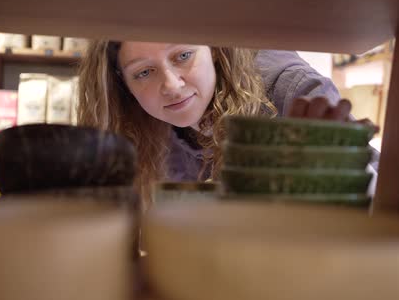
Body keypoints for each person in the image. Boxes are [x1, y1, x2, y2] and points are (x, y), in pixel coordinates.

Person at [77, 41, 352, 197]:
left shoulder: (290, 90)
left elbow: (378, 202)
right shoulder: (145, 126)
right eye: (144, 72)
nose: (171, 85)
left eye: (183, 56)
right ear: (123, 87)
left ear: (215, 51)